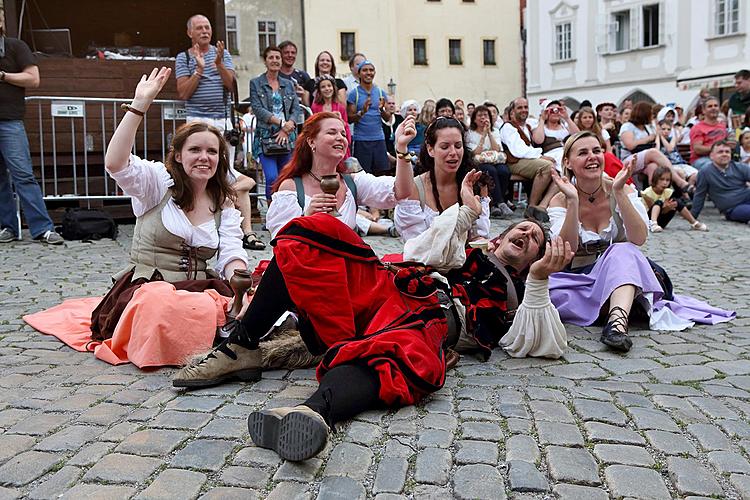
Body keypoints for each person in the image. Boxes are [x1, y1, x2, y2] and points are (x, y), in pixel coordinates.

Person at [172, 169, 573, 461]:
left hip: (429, 318)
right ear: (502, 235)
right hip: (386, 286)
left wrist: (538, 280)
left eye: (536, 240)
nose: (527, 235)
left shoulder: (517, 293)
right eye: (523, 229)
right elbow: (423, 250)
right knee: (318, 233)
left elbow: (535, 343)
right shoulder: (470, 247)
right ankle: (241, 346)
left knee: (393, 353)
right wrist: (466, 213)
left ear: (533, 259)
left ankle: (308, 412)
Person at [24, 67, 250, 367]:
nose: (204, 158)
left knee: (243, 305)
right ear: (179, 156)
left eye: (212, 151)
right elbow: (116, 163)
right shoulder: (156, 183)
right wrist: (139, 105)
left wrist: (238, 278)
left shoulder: (224, 203)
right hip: (149, 290)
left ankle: (200, 334)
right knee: (160, 304)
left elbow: (232, 251)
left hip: (198, 291)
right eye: (195, 149)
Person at [547, 131, 734, 353]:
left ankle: (616, 324)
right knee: (551, 294)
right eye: (583, 153)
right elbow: (568, 248)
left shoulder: (622, 189)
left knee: (623, 250)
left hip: (625, 271)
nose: (592, 157)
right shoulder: (560, 200)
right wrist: (573, 201)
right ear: (567, 162)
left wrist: (619, 193)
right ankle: (619, 305)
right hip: (580, 278)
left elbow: (639, 238)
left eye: (597, 151)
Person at [175, 15, 262, 250]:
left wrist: (220, 64)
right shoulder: (184, 57)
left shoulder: (222, 54)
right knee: (213, 175)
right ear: (190, 33)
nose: (205, 31)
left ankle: (245, 232)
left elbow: (230, 84)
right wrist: (199, 70)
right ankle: (234, 227)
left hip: (223, 122)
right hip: (197, 120)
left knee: (226, 171)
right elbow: (183, 93)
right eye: (199, 28)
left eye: (207, 27)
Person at [263, 112, 413, 239]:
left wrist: (401, 148)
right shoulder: (292, 187)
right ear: (311, 141)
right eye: (331, 132)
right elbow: (280, 240)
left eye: (343, 134)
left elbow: (401, 191)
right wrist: (306, 218)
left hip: (344, 268)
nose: (340, 138)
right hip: (306, 270)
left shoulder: (352, 183)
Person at [0, 8, 63, 245]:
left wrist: (3, 75)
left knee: (23, 176)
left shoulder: (16, 46)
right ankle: (8, 227)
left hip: (10, 121)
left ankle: (43, 229)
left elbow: (33, 79)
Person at [395, 117, 491, 242]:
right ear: (431, 150)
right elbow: (417, 244)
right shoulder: (415, 189)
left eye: (458, 146)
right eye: (445, 147)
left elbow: (479, 236)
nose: (453, 152)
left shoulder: (476, 184)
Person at [249, 46, 301, 201]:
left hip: (287, 138)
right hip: (265, 137)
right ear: (265, 61)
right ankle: (271, 215)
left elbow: (296, 109)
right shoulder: (256, 83)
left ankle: (286, 213)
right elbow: (258, 109)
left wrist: (287, 127)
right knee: (272, 177)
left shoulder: (289, 84)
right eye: (271, 57)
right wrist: (281, 124)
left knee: (287, 178)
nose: (275, 61)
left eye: (277, 58)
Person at [499, 97, 555, 214]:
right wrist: (541, 157)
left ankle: (544, 205)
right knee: (546, 167)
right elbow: (518, 151)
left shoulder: (527, 127)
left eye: (526, 107)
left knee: (556, 169)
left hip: (525, 161)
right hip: (513, 162)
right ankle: (532, 206)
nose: (524, 110)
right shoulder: (508, 127)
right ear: (513, 111)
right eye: (520, 107)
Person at [619, 102, 691, 192]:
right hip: (630, 159)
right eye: (651, 113)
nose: (652, 116)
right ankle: (680, 182)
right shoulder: (627, 126)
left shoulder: (647, 127)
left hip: (646, 159)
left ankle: (655, 197)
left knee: (653, 167)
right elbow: (630, 145)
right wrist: (648, 138)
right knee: (653, 152)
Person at [465, 105, 513, 217]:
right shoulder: (470, 133)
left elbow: (497, 149)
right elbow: (475, 152)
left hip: (495, 160)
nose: (483, 118)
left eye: (485, 115)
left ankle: (496, 203)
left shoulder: (495, 131)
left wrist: (489, 133)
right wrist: (483, 136)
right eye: (480, 115)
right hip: (480, 162)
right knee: (490, 171)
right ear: (474, 119)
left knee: (504, 171)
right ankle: (500, 203)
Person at [346, 60, 391, 175]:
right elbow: (349, 119)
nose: (368, 73)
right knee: (362, 175)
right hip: (361, 141)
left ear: (374, 73)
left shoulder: (381, 93)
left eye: (371, 70)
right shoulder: (354, 93)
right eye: (365, 70)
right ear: (359, 73)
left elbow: (388, 118)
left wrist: (381, 110)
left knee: (381, 174)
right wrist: (362, 112)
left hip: (379, 140)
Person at [691, 141, 750, 224]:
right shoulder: (705, 172)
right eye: (720, 152)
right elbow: (700, 195)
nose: (724, 154)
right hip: (733, 208)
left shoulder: (740, 167)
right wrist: (692, 216)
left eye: (727, 152)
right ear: (711, 156)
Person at [641, 166, 707, 232]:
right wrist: (664, 207)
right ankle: (654, 224)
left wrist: (668, 208)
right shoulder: (647, 192)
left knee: (676, 202)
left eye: (667, 180)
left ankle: (694, 223)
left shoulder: (668, 192)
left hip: (661, 221)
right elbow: (650, 209)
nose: (665, 183)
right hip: (648, 220)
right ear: (655, 179)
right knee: (659, 202)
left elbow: (663, 211)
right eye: (661, 179)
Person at [310, 75, 351, 159]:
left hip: (338, 144)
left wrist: (340, 121)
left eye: (329, 86)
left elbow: (346, 126)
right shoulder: (315, 107)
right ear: (319, 91)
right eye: (323, 87)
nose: (327, 89)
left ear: (334, 88)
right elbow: (313, 126)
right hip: (323, 144)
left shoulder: (340, 107)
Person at [531, 99, 579, 170]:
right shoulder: (540, 127)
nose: (555, 112)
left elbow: (578, 136)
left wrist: (567, 118)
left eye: (558, 110)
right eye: (551, 110)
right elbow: (538, 140)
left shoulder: (565, 126)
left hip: (568, 156)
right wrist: (542, 119)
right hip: (552, 158)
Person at [690, 96, 731, 169]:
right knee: (715, 166)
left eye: (716, 106)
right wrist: (716, 149)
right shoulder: (697, 128)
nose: (713, 108)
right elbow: (697, 149)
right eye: (710, 106)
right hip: (703, 159)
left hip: (721, 157)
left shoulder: (722, 126)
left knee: (738, 167)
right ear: (703, 110)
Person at [277, 40, 310, 105]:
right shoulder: (274, 75)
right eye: (286, 52)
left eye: (293, 53)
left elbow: (311, 103)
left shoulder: (303, 76)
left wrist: (303, 96)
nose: (290, 55)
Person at [382, 95, 405, 170]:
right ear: (383, 105)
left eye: (393, 103)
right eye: (389, 103)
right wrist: (388, 156)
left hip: (398, 154)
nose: (391, 105)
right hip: (384, 154)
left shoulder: (399, 119)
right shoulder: (378, 121)